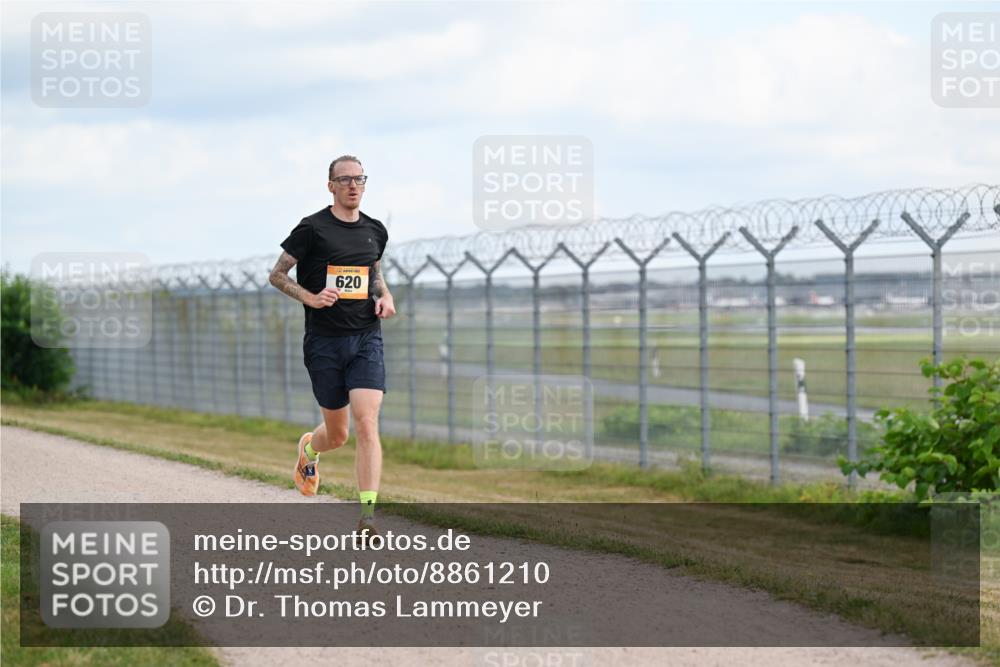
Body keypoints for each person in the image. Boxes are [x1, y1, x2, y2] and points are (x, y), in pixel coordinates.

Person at [269, 154, 395, 539]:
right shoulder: (312, 229)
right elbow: (277, 275)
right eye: (344, 180)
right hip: (324, 342)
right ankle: (310, 449)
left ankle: (368, 517)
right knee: (337, 435)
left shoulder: (375, 230)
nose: (353, 186)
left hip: (365, 338)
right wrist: (310, 297)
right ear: (331, 186)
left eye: (359, 179)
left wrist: (385, 296)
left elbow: (374, 274)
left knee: (367, 422)